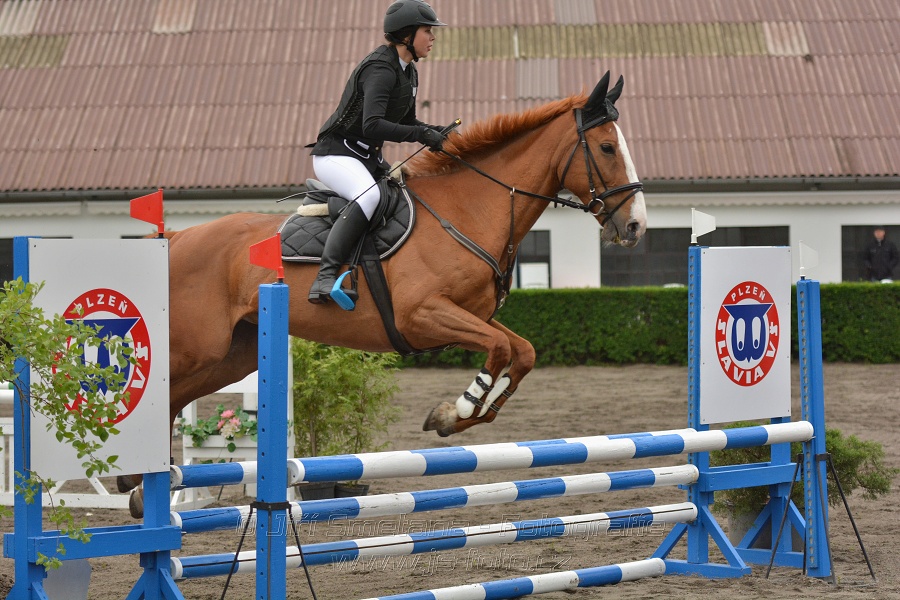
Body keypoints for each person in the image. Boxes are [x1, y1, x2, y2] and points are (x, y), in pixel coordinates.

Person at [307, 0, 448, 305]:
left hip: (365, 158)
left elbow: (406, 123)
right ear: (407, 35)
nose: (433, 37)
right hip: (336, 155)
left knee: (405, 195)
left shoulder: (409, 71)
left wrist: (434, 130)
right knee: (369, 197)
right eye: (428, 31)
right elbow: (372, 126)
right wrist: (420, 133)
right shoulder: (380, 68)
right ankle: (325, 277)